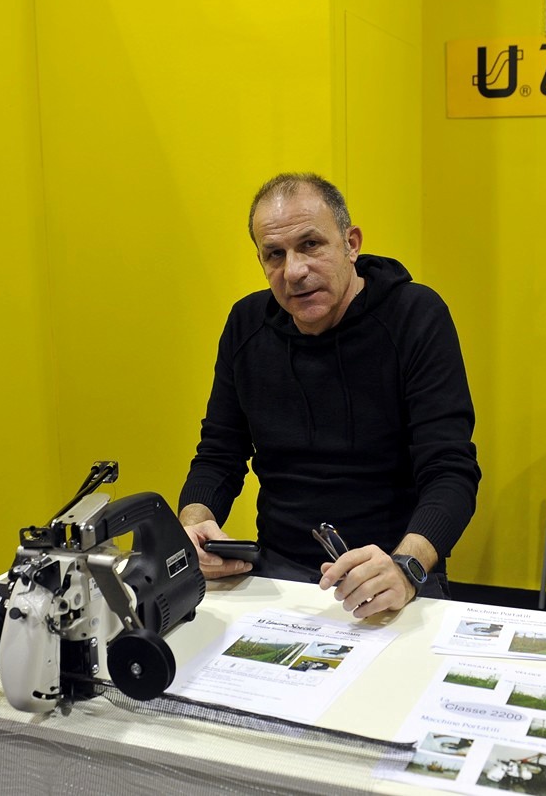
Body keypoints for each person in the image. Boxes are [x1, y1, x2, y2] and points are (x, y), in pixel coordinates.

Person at [177, 172, 480, 618]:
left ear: (351, 244)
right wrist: (194, 524)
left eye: (311, 245)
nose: (294, 271)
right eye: (275, 254)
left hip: (395, 568)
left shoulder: (415, 316)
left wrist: (407, 565)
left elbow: (450, 472)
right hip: (277, 575)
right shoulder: (246, 325)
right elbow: (219, 454)